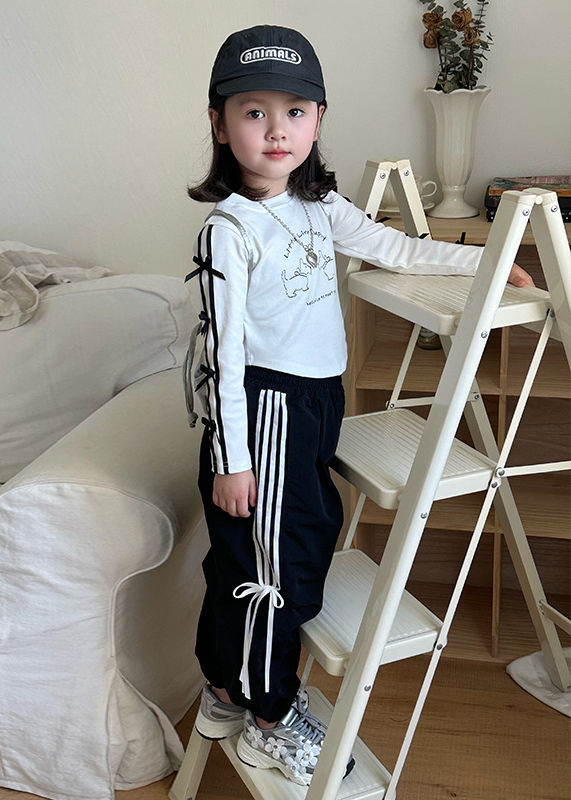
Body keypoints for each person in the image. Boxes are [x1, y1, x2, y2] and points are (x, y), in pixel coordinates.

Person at [185, 24, 534, 787]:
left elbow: (396, 248)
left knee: (298, 540)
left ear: (318, 119)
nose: (276, 130)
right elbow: (223, 356)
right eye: (253, 112)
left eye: (294, 111)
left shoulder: (319, 204)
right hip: (265, 407)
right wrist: (234, 459)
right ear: (219, 122)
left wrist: (486, 260)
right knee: (273, 566)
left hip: (315, 403)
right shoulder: (229, 230)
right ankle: (268, 718)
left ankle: (226, 688)